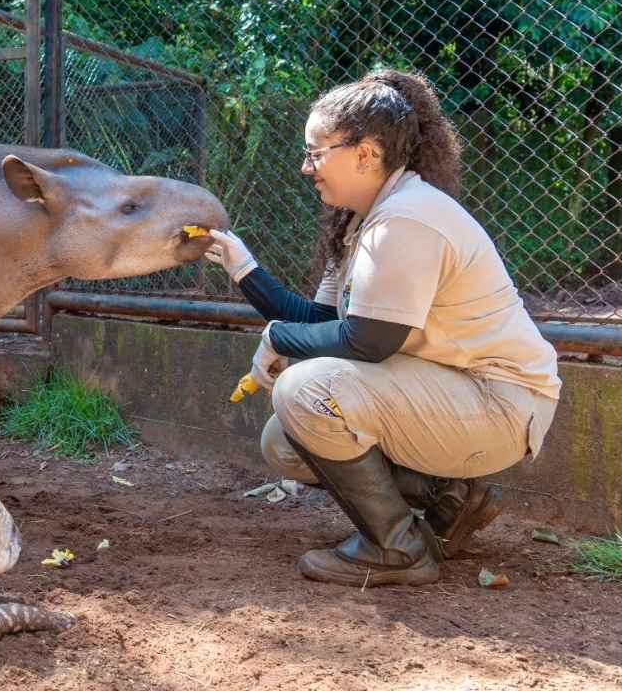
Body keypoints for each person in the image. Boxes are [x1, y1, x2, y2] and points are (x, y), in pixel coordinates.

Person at [204, 69, 561, 587]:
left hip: (499, 404)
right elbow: (323, 323)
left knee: (306, 389)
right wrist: (244, 270)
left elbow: (368, 343)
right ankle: (449, 500)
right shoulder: (363, 221)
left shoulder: (405, 220)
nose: (307, 168)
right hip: (455, 395)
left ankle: (394, 548)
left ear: (366, 153)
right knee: (284, 440)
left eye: (316, 153)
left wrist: (278, 340)